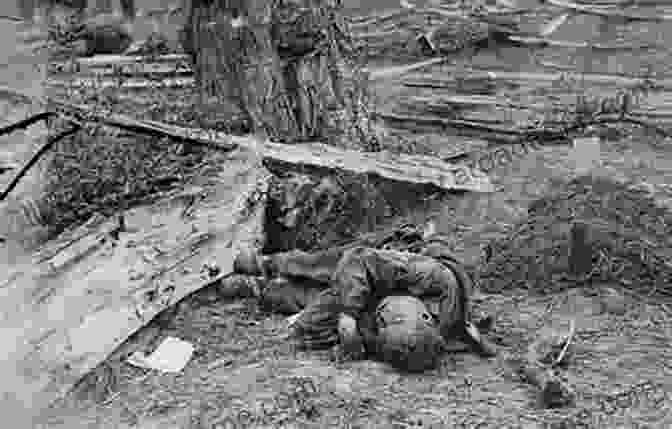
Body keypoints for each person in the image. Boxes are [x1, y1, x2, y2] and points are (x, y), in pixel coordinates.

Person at [234, 224, 497, 372]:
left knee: (317, 309)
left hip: (386, 293)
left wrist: (349, 341)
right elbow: (360, 261)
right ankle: (270, 264)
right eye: (388, 318)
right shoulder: (434, 278)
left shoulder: (411, 339)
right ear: (425, 315)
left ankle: (259, 289)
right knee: (327, 265)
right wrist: (349, 316)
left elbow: (365, 336)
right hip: (393, 261)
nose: (380, 318)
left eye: (382, 324)